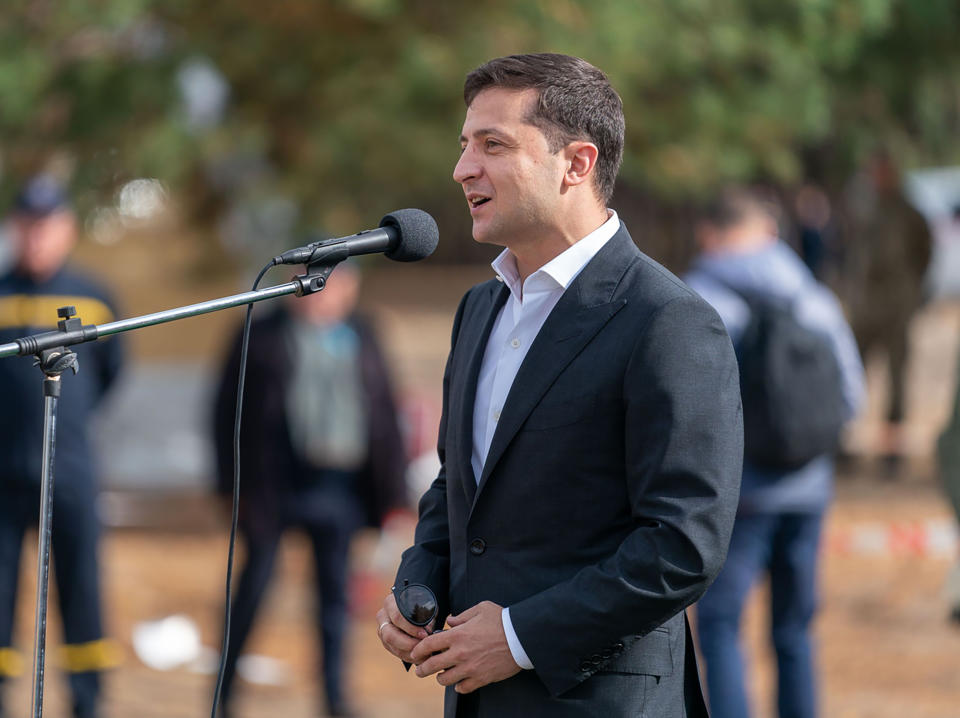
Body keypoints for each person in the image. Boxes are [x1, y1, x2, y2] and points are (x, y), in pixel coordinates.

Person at [375, 53, 744, 718]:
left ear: (576, 163)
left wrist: (519, 639)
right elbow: (457, 484)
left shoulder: (669, 322)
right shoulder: (480, 308)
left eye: (493, 145)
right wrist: (418, 586)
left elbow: (683, 545)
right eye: (464, 145)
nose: (463, 169)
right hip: (478, 698)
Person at [684, 188, 865, 718]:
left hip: (739, 495)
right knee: (796, 628)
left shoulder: (699, 298)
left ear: (709, 234)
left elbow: (690, 406)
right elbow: (852, 397)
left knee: (720, 624)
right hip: (809, 489)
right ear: (770, 233)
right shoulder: (813, 296)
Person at [212, 263, 408, 718]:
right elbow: (224, 413)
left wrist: (394, 495)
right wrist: (229, 487)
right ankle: (224, 696)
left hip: (339, 488)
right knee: (254, 588)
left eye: (338, 282)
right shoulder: (258, 335)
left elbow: (386, 412)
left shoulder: (365, 333)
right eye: (315, 281)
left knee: (334, 600)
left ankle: (335, 699)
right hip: (274, 485)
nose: (325, 292)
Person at [0, 174, 124, 718]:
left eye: (47, 226)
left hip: (70, 468)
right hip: (2, 471)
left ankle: (88, 701)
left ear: (68, 229)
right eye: (27, 225)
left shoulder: (95, 296)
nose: (36, 237)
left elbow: (113, 371)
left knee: (81, 588)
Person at [843, 152, 932, 474]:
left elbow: (924, 255)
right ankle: (846, 446)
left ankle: (891, 453)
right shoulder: (860, 208)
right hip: (864, 308)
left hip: (896, 308)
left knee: (897, 380)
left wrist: (911, 295)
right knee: (852, 375)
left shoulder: (909, 214)